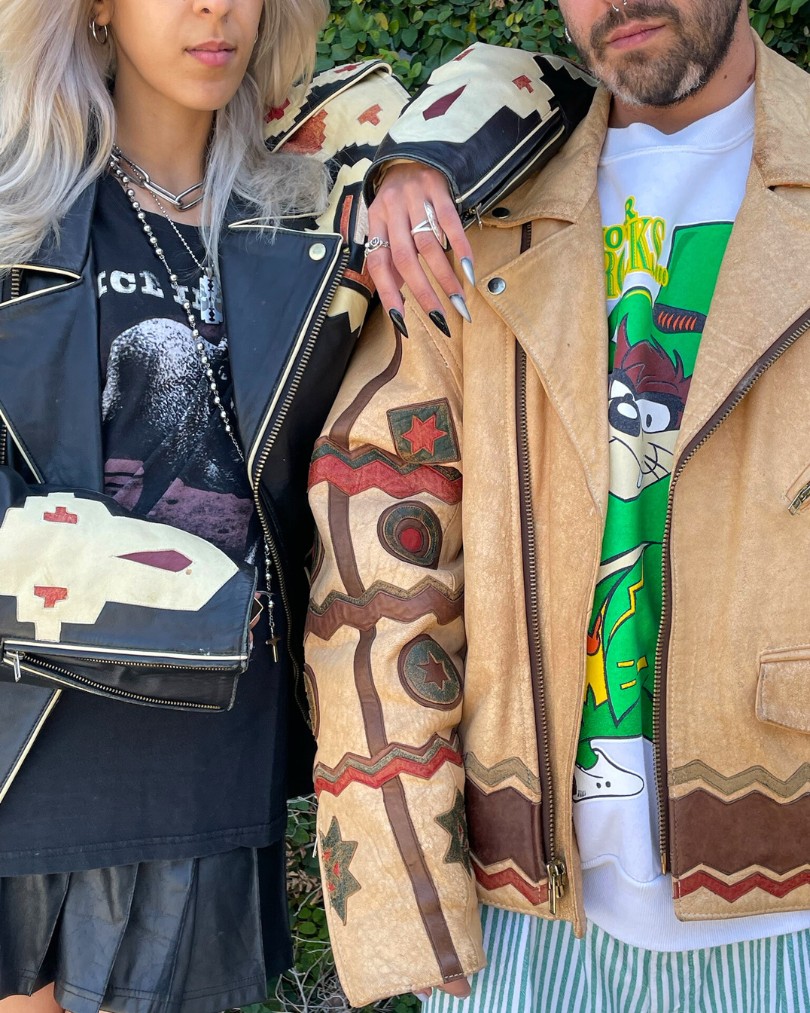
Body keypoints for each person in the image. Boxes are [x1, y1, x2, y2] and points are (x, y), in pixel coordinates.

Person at [305, 1, 810, 1009]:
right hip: (523, 918)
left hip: (789, 908)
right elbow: (382, 562)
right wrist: (408, 892)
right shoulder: (471, 206)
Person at [0, 0, 496, 1010]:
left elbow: (535, 87)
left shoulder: (313, 208)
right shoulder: (21, 210)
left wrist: (411, 165)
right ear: (97, 10)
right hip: (32, 737)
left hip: (213, 750)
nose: (213, 8)